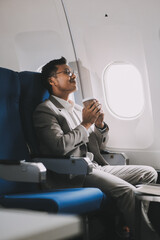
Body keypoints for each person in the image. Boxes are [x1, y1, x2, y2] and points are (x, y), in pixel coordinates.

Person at [33, 57, 157, 238]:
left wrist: (98, 126)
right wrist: (85, 124)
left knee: (149, 173)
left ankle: (127, 225)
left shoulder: (77, 109)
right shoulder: (46, 111)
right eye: (67, 72)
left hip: (94, 167)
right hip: (73, 172)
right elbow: (58, 147)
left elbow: (97, 145)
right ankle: (147, 236)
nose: (73, 75)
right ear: (52, 80)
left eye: (72, 72)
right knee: (128, 192)